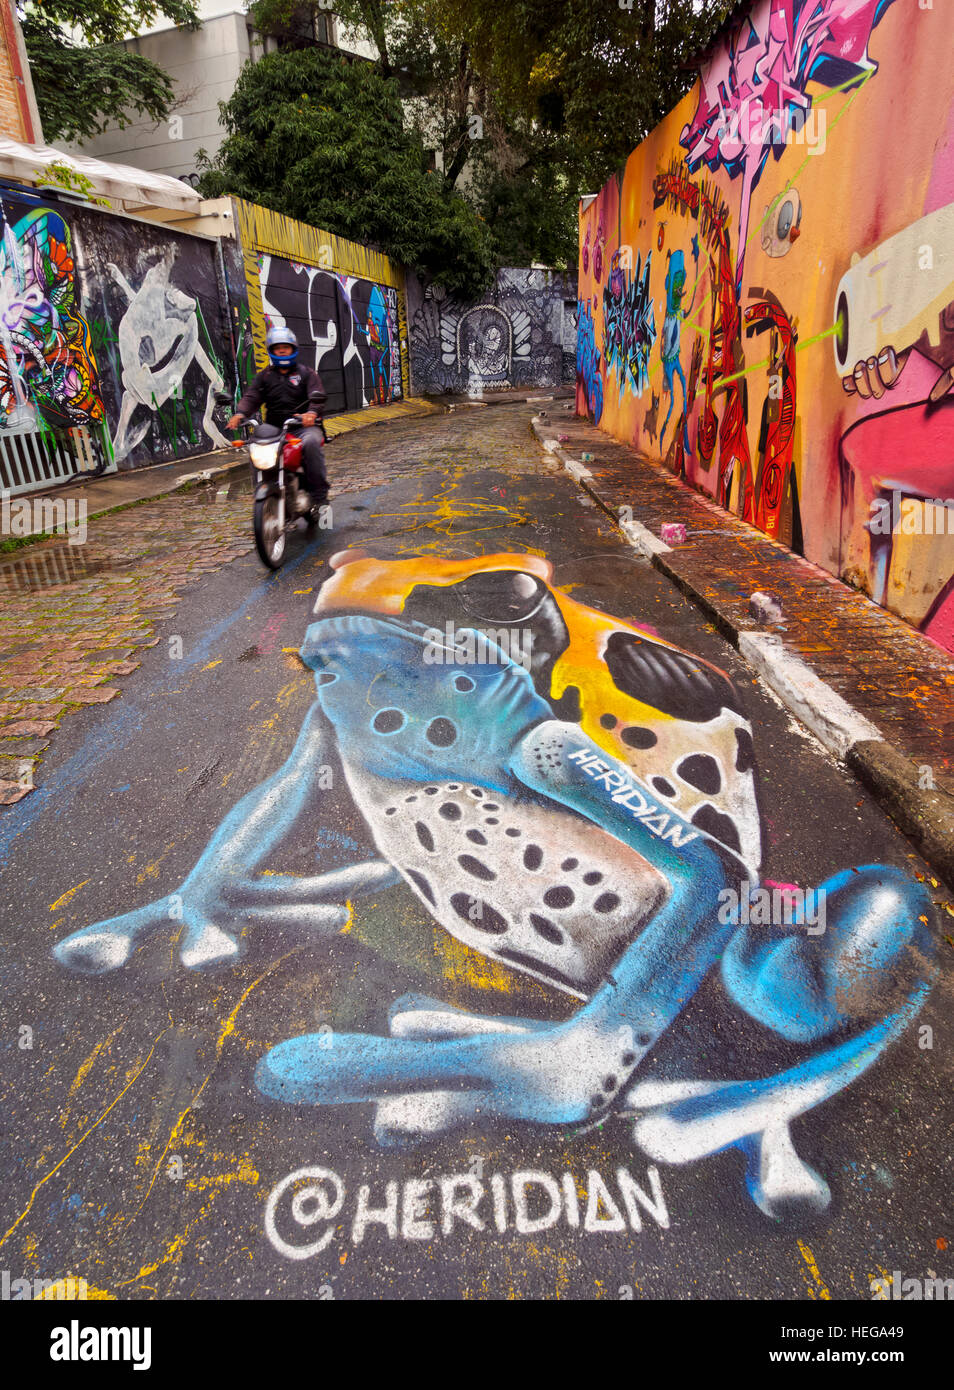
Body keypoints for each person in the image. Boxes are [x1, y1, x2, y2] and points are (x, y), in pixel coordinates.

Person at [228, 327, 328, 507]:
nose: (281, 350)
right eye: (277, 347)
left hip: (302, 426)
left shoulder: (306, 373)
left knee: (312, 443)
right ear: (271, 351)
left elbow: (317, 395)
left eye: (285, 347)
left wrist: (311, 413)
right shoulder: (264, 376)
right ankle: (263, 486)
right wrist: (240, 413)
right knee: (255, 447)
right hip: (274, 428)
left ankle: (319, 495)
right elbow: (252, 397)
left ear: (293, 349)